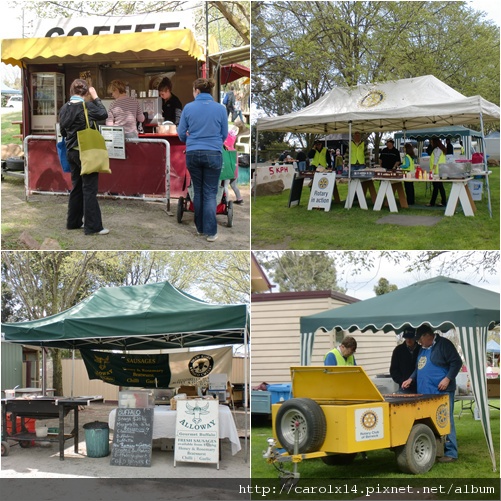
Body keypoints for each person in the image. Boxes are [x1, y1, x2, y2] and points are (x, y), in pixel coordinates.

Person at [402, 325, 462, 463]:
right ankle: (435, 450)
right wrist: (411, 378)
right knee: (429, 423)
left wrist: (447, 379)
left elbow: (456, 362)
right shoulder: (423, 349)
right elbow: (419, 367)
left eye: (420, 339)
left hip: (441, 392)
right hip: (425, 392)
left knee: (445, 420)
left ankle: (451, 452)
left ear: (428, 335)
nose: (419, 342)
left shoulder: (444, 345)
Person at [177, 78, 228, 242]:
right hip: (213, 153)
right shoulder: (221, 109)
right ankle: (211, 232)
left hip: (193, 153)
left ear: (196, 91)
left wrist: (191, 140)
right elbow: (224, 134)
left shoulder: (188, 108)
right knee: (210, 193)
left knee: (197, 191)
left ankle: (200, 228)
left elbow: (180, 133)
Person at [59, 78, 109, 235]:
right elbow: (103, 114)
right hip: (86, 152)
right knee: (89, 189)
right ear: (86, 92)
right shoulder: (86, 106)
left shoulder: (64, 108)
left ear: (71, 92)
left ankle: (73, 222)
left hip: (71, 152)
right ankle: (93, 226)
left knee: (77, 188)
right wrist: (96, 97)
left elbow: (63, 131)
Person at [390, 328, 419, 393]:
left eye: (411, 338)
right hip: (404, 386)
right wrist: (402, 381)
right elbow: (393, 370)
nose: (408, 340)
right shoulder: (398, 350)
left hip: (420, 385)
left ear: (415, 338)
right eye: (406, 338)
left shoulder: (421, 349)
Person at [427, 137, 447, 207]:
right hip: (440, 171)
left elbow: (435, 160)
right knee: (440, 187)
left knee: (436, 187)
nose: (431, 144)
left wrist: (432, 170)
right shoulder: (442, 149)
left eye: (432, 142)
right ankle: (443, 201)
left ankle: (432, 202)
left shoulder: (437, 150)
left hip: (436, 172)